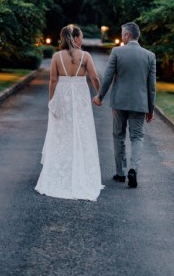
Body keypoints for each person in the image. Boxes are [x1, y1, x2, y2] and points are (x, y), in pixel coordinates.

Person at [35, 24, 104, 201]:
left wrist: (52, 101)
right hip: (80, 97)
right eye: (80, 36)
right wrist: (99, 94)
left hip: (63, 96)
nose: (81, 39)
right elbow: (94, 77)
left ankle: (61, 172)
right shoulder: (85, 56)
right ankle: (81, 172)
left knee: (62, 133)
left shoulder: (57, 57)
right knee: (81, 132)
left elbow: (52, 80)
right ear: (75, 38)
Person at [93, 22, 156, 189]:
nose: (121, 37)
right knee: (137, 137)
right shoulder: (150, 56)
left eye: (122, 34)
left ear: (127, 36)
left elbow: (107, 77)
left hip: (119, 102)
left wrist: (100, 95)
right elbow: (151, 87)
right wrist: (151, 109)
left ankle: (120, 173)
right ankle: (133, 169)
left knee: (118, 135)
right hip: (139, 103)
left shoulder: (117, 52)